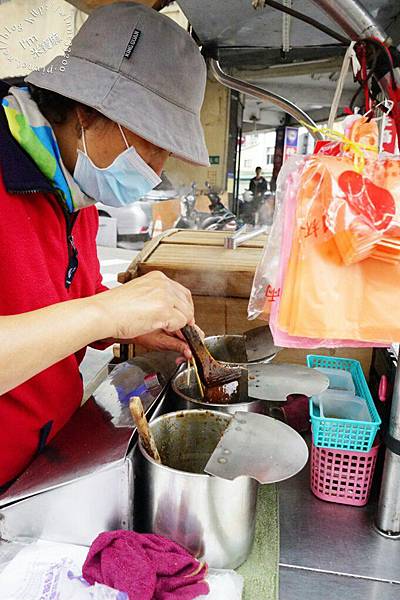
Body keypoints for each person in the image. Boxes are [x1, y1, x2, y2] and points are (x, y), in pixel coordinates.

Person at [0, 3, 209, 490]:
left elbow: (66, 298)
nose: (156, 168)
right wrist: (106, 314)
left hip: (39, 463)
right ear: (87, 109)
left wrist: (127, 319)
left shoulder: (74, 180)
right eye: (151, 141)